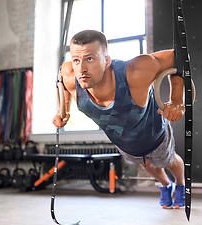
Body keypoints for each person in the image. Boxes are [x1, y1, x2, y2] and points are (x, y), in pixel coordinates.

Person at [52, 30, 185, 208]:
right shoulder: (70, 74)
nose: (81, 68)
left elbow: (180, 57)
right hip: (125, 143)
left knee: (167, 161)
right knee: (147, 164)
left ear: (107, 60)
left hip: (155, 133)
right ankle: (166, 185)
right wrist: (64, 111)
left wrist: (177, 101)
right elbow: (62, 82)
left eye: (90, 59)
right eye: (76, 60)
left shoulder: (135, 72)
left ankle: (181, 184)